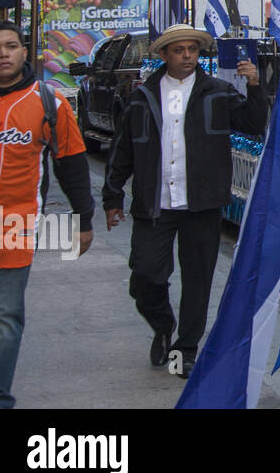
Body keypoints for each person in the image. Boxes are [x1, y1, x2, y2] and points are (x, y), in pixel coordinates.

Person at [103, 24, 267, 377]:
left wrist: (255, 85)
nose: (187, 56)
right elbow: (123, 149)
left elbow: (254, 124)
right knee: (145, 276)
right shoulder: (142, 96)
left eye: (192, 49)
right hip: (155, 204)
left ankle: (185, 349)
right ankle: (163, 325)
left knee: (197, 282)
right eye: (179, 50)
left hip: (201, 205)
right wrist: (112, 195)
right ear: (164, 55)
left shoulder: (217, 92)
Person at [0, 20, 94, 408]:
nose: (3, 53)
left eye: (11, 46)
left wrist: (83, 220)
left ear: (25, 52)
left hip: (11, 228)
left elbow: (72, 164)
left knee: (3, 318)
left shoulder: (49, 102)